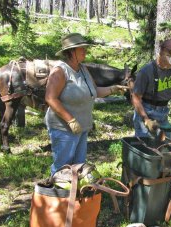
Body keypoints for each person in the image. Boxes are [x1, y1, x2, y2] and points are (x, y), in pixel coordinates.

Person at [45, 33, 127, 175]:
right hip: (64, 127)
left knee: (78, 166)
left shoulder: (83, 69)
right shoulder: (60, 71)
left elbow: (93, 91)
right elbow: (50, 98)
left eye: (85, 48)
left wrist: (112, 89)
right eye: (81, 48)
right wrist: (70, 120)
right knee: (62, 168)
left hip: (82, 126)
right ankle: (58, 195)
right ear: (71, 52)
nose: (85, 51)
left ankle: (74, 195)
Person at [131, 39, 171, 137]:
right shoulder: (145, 72)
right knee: (146, 146)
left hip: (163, 113)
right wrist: (146, 120)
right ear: (162, 54)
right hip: (147, 111)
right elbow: (135, 98)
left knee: (165, 146)